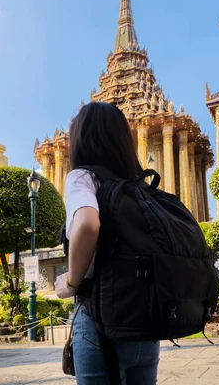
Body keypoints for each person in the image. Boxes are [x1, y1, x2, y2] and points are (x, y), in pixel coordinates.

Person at [55, 102, 160, 384]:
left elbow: (88, 225)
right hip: (145, 321)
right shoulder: (140, 186)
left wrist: (71, 283)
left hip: (99, 317)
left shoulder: (83, 177)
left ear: (81, 139)